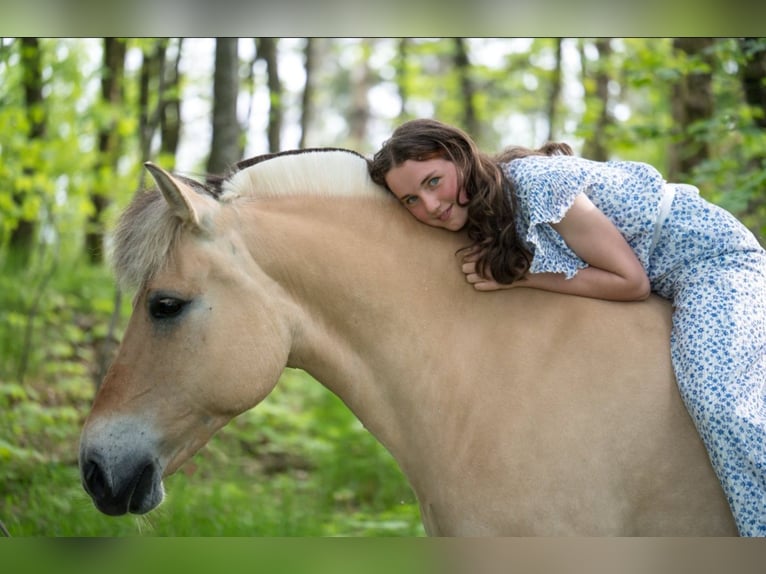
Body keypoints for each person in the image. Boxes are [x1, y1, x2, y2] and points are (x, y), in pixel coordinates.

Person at [368, 118, 766, 536]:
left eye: (434, 182)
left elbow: (631, 283)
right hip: (666, 272)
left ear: (459, 157)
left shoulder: (536, 185)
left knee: (716, 398)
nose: (429, 206)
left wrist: (520, 277)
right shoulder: (485, 211)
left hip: (712, 261)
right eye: (411, 199)